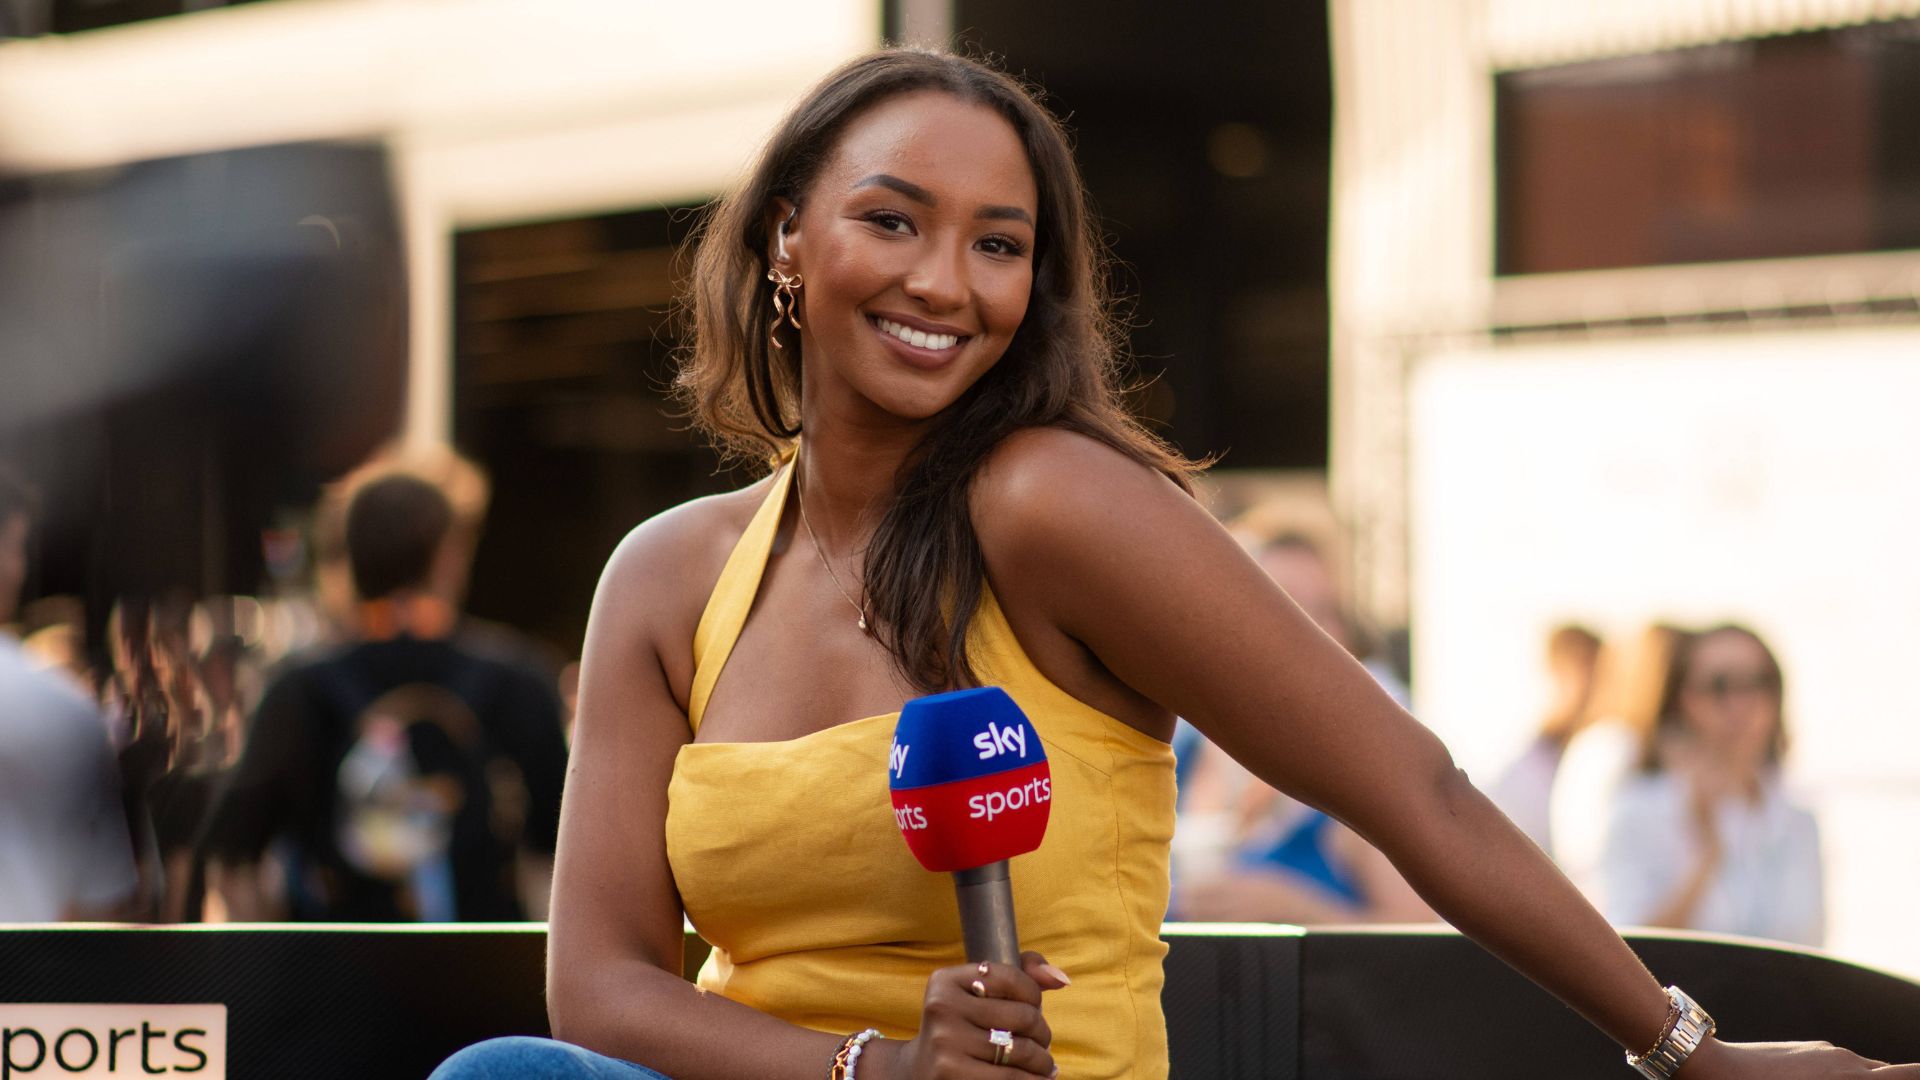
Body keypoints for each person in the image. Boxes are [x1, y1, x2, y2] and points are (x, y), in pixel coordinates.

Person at [434, 48, 1915, 1080]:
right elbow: (603, 989)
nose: (946, 282)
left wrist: (1690, 1054)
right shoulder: (668, 577)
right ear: (784, 243)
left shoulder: (1054, 507)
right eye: (893, 219)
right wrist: (875, 1069)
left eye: (999, 245)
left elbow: (1417, 794)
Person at [203, 469, 568, 922]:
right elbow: (561, 855)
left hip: (332, 975)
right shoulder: (517, 681)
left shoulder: (299, 689)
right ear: (448, 557)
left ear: (349, 560)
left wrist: (273, 969)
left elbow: (231, 858)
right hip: (479, 971)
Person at [1598, 625, 1823, 946]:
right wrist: (1707, 857)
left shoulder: (1798, 821)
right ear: (1685, 700)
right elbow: (1625, 949)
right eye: (1720, 686)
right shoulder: (1639, 811)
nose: (1741, 704)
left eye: (1759, 683)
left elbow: (1812, 950)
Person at [0, 464, 139, 921]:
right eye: (17, 547)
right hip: (26, 988)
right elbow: (102, 920)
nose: (20, 569)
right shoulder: (63, 713)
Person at [1486, 622, 1603, 854]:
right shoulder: (1523, 772)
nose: (1599, 689)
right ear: (1558, 673)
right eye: (1588, 673)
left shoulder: (1595, 751)